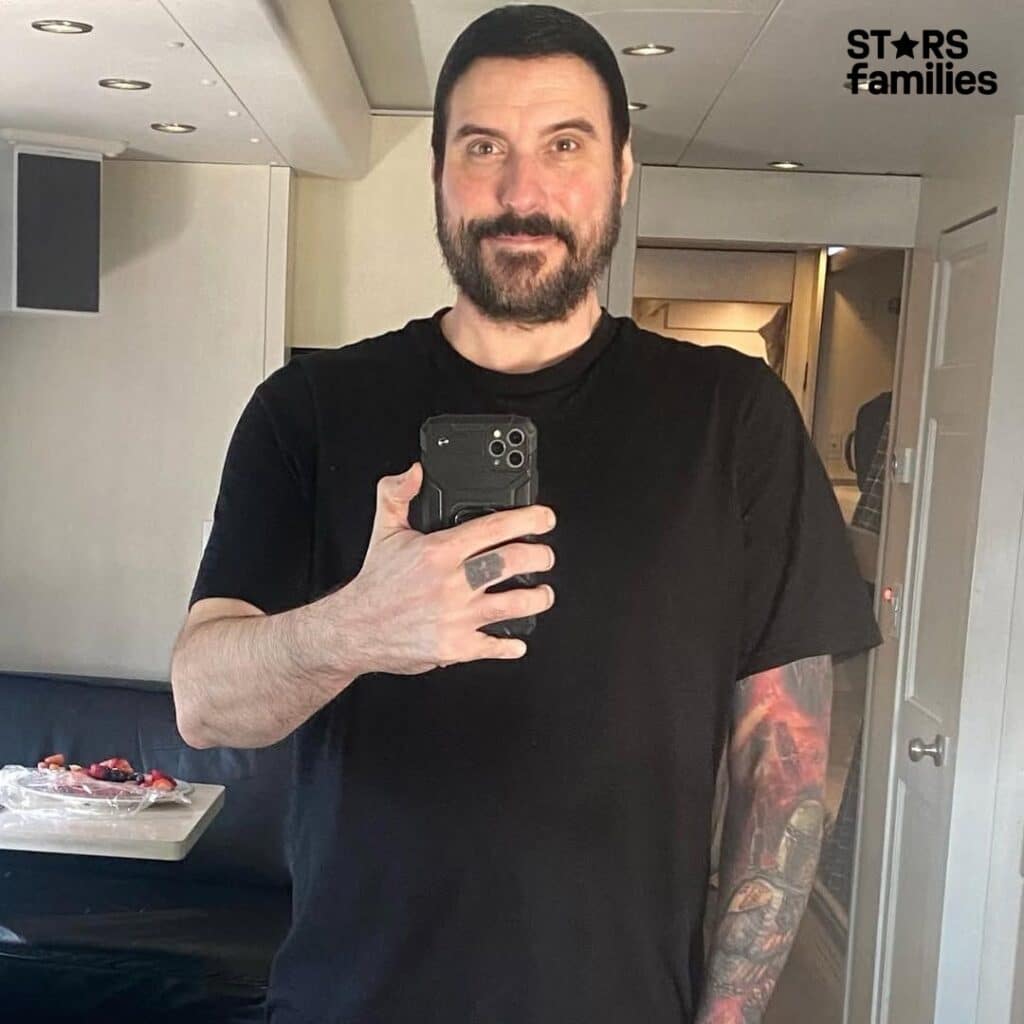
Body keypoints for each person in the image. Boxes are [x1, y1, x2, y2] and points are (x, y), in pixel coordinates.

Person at [170, 6, 882, 1022]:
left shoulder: (732, 419)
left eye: (564, 145)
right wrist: (356, 628)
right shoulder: (310, 410)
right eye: (482, 147)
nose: (521, 192)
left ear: (621, 171)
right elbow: (201, 700)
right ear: (435, 171)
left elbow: (784, 768)